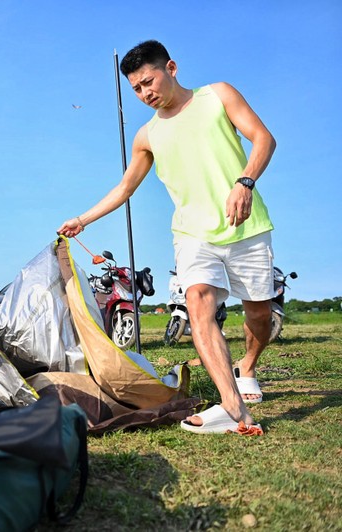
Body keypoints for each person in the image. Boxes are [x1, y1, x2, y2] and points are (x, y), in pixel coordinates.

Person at [58, 40, 275, 435]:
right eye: (137, 89)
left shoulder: (218, 95)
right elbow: (125, 188)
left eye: (148, 81)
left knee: (259, 315)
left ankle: (249, 364)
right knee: (197, 302)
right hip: (192, 233)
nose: (145, 93)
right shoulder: (147, 135)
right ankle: (234, 406)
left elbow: (263, 139)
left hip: (246, 225)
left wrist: (245, 183)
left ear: (171, 68)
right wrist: (83, 219)